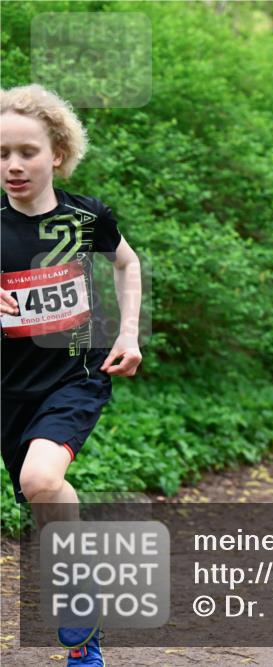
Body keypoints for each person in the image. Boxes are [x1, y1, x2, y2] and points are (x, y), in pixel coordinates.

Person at [2, 84, 144, 667]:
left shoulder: (86, 218)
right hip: (6, 387)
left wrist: (130, 332)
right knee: (43, 501)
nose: (13, 165)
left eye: (27, 151)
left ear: (56, 153)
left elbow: (127, 263)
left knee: (41, 480)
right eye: (2, 152)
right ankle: (84, 638)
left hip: (72, 375)